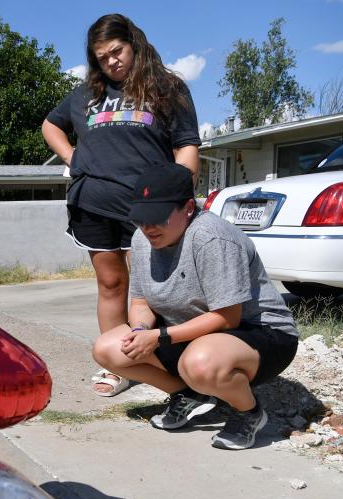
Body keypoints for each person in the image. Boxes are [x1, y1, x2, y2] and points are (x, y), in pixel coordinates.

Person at [41, 13, 201, 397]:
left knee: (153, 289)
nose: (111, 61)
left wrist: (180, 198)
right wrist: (70, 157)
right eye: (101, 57)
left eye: (117, 51)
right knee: (111, 283)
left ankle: (167, 359)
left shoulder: (166, 88)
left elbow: (187, 147)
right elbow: (51, 124)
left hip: (145, 209)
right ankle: (117, 364)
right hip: (91, 204)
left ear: (134, 44)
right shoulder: (86, 95)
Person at [92, 163, 299, 450]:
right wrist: (140, 331)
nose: (147, 227)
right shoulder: (141, 239)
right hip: (194, 333)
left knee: (199, 363)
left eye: (157, 218)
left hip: (261, 334)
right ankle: (189, 394)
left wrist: (160, 338)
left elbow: (228, 317)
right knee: (109, 348)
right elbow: (140, 300)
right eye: (141, 218)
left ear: (188, 207)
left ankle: (249, 412)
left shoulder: (212, 237)